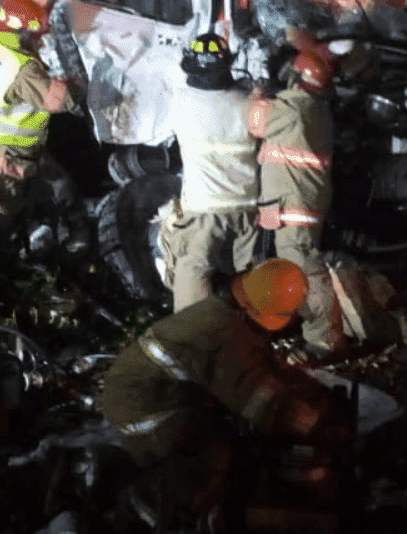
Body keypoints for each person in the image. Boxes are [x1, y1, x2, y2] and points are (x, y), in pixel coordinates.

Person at [99, 259, 341, 532]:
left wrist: (305, 386)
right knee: (212, 454)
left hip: (157, 392)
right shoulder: (224, 333)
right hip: (144, 407)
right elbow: (256, 397)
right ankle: (163, 509)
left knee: (228, 436)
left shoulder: (225, 312)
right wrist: (311, 422)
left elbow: (260, 363)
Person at [247, 31, 346, 357]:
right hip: (296, 205)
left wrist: (258, 93)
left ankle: (325, 341)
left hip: (294, 209)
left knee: (306, 272)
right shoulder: (316, 111)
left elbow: (254, 125)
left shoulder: (293, 110)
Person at [0, 0, 86, 242]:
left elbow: (29, 13)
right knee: (20, 208)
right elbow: (60, 100)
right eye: (36, 37)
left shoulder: (2, 47)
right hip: (11, 155)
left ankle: (70, 231)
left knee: (58, 183)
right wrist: (82, 81)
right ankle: (59, 242)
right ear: (22, 35)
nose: (41, 42)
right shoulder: (24, 72)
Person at [162, 33, 260, 311]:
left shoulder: (180, 102)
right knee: (249, 278)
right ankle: (253, 335)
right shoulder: (249, 103)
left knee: (194, 270)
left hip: (203, 208)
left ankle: (193, 334)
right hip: (247, 205)